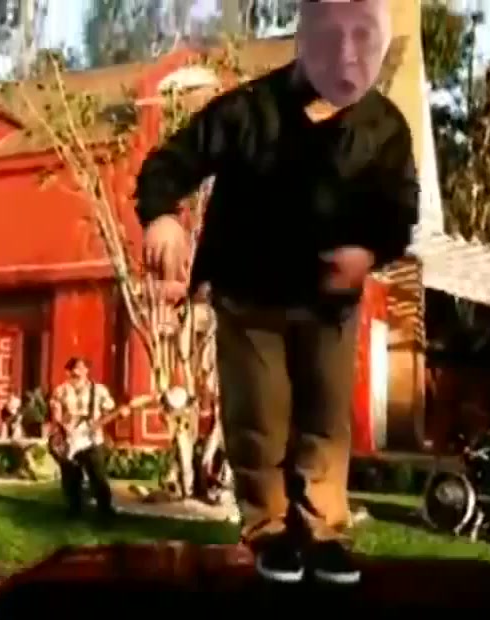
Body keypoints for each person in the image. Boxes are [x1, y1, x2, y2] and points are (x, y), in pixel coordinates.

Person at [134, 0, 417, 584]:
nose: (347, 57)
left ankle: (322, 532)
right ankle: (269, 529)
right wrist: (161, 215)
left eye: (362, 42)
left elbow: (399, 209)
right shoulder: (246, 111)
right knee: (259, 415)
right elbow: (170, 162)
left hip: (328, 301)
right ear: (303, 43)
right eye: (332, 41)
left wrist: (368, 252)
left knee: (325, 419)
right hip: (251, 295)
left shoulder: (384, 127)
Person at [49, 357, 125, 521]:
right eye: (75, 368)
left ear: (87, 371)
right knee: (71, 478)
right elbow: (56, 413)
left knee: (98, 475)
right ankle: (74, 510)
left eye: (83, 368)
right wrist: (64, 428)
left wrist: (119, 414)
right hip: (69, 438)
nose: (79, 372)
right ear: (69, 371)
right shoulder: (61, 390)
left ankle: (104, 510)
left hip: (93, 438)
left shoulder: (99, 390)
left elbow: (109, 410)